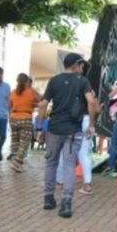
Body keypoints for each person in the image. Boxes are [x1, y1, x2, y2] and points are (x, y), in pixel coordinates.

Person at [37, 53, 96, 218]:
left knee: (51, 163)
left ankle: (48, 198)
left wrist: (40, 127)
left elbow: (43, 104)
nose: (83, 68)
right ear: (76, 65)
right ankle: (66, 203)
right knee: (69, 165)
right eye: (82, 65)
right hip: (73, 130)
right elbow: (91, 101)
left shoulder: (54, 81)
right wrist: (91, 124)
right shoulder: (82, 81)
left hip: (54, 128)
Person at [8, 73, 41, 172]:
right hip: (25, 118)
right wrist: (33, 104)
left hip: (13, 118)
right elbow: (42, 99)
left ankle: (17, 162)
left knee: (15, 142)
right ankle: (16, 162)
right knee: (24, 142)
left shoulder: (13, 92)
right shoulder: (31, 91)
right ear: (27, 81)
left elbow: (9, 106)